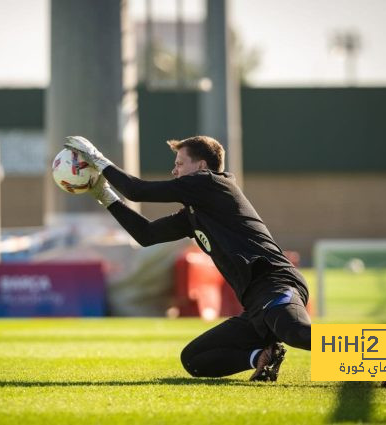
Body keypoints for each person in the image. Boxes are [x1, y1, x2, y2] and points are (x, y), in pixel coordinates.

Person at [64, 134, 311, 381]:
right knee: (194, 359)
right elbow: (146, 234)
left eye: (180, 164)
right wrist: (105, 195)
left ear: (201, 166)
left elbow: (137, 191)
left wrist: (98, 159)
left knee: (295, 332)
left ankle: (350, 364)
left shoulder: (210, 182)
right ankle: (261, 357)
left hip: (275, 283)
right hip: (255, 304)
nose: (174, 171)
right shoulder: (196, 211)